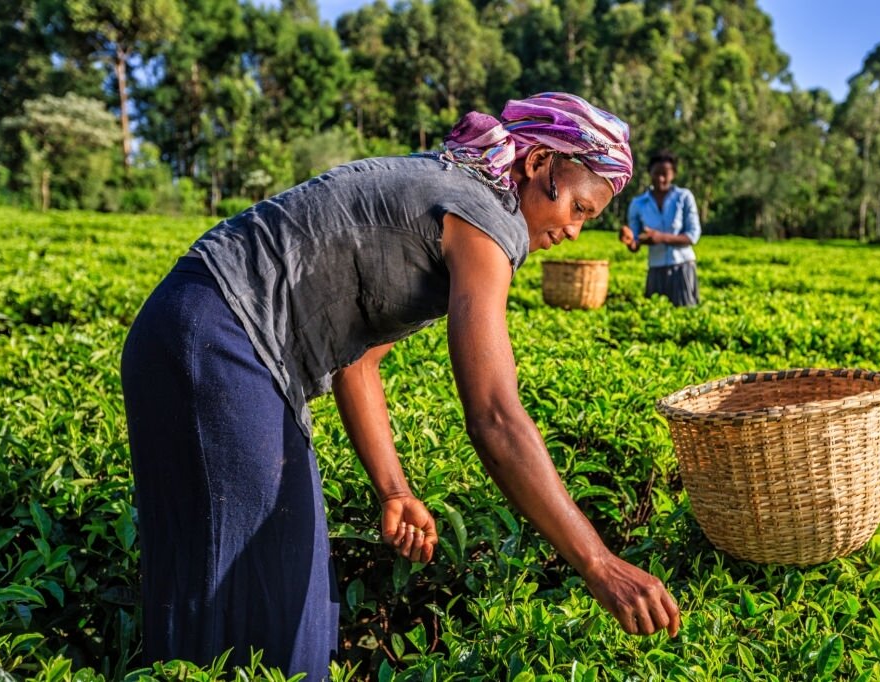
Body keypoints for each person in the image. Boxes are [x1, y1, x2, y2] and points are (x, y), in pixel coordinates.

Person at [120, 92, 680, 681]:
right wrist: (597, 563)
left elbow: (357, 363)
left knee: (247, 590)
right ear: (539, 164)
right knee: (271, 604)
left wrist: (394, 490)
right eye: (580, 209)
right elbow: (494, 415)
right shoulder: (486, 217)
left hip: (193, 328)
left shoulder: (455, 194)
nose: (573, 230)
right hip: (221, 338)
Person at [619, 150, 702, 306]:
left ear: (674, 174)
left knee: (684, 315)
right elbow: (635, 243)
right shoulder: (638, 204)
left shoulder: (684, 197)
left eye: (665, 174)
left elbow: (693, 236)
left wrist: (661, 237)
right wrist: (629, 240)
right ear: (649, 173)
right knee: (655, 315)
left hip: (682, 267)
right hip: (655, 269)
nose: (660, 178)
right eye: (656, 173)